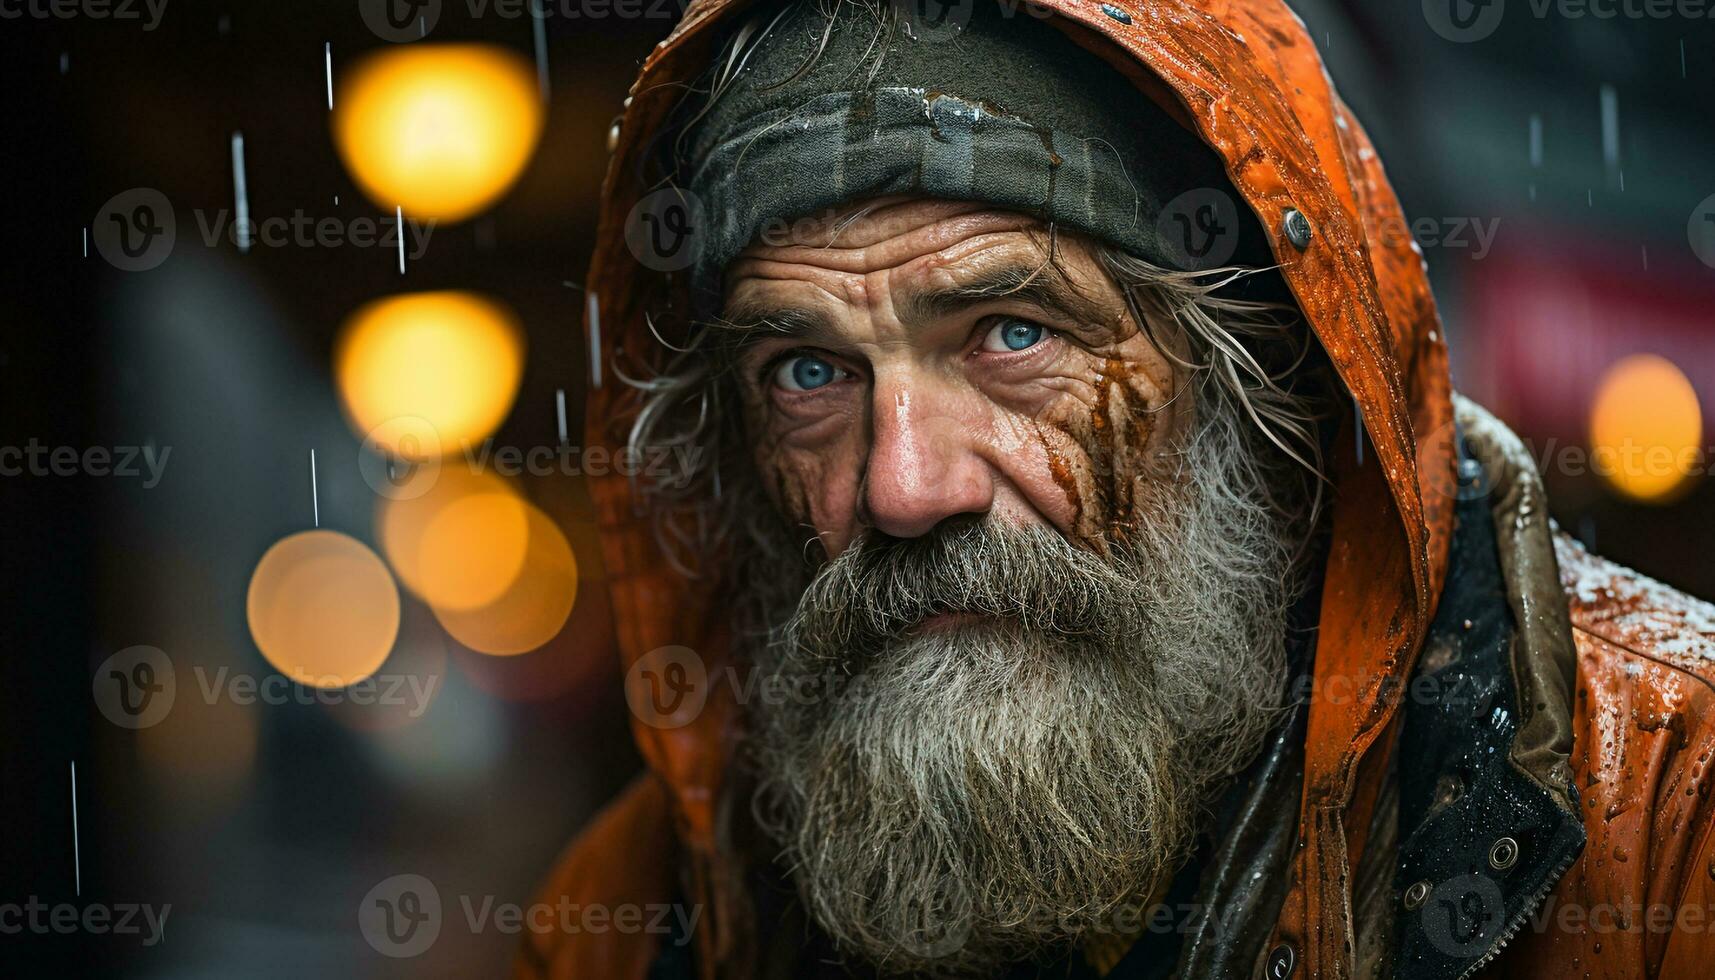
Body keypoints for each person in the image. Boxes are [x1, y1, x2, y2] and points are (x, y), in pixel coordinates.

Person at [519, 1, 1715, 976]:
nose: (901, 485)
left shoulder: (1672, 812)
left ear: (1263, 384)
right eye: (808, 370)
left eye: (1013, 335)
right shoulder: (625, 923)